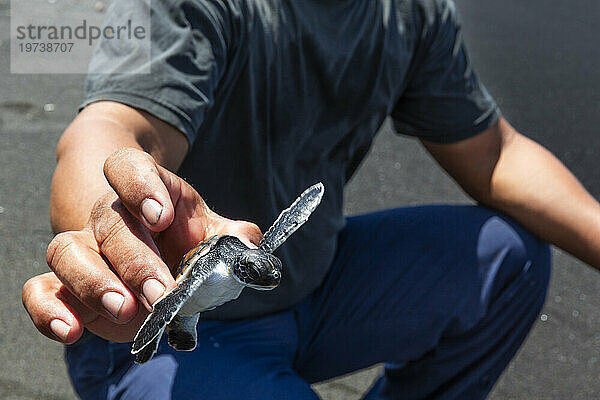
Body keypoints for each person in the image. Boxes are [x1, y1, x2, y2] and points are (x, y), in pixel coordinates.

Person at [21, 0, 600, 399]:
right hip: (166, 333)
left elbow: (495, 153)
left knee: (509, 257)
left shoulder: (406, 13)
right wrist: (108, 233)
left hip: (311, 287)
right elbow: (109, 132)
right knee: (143, 321)